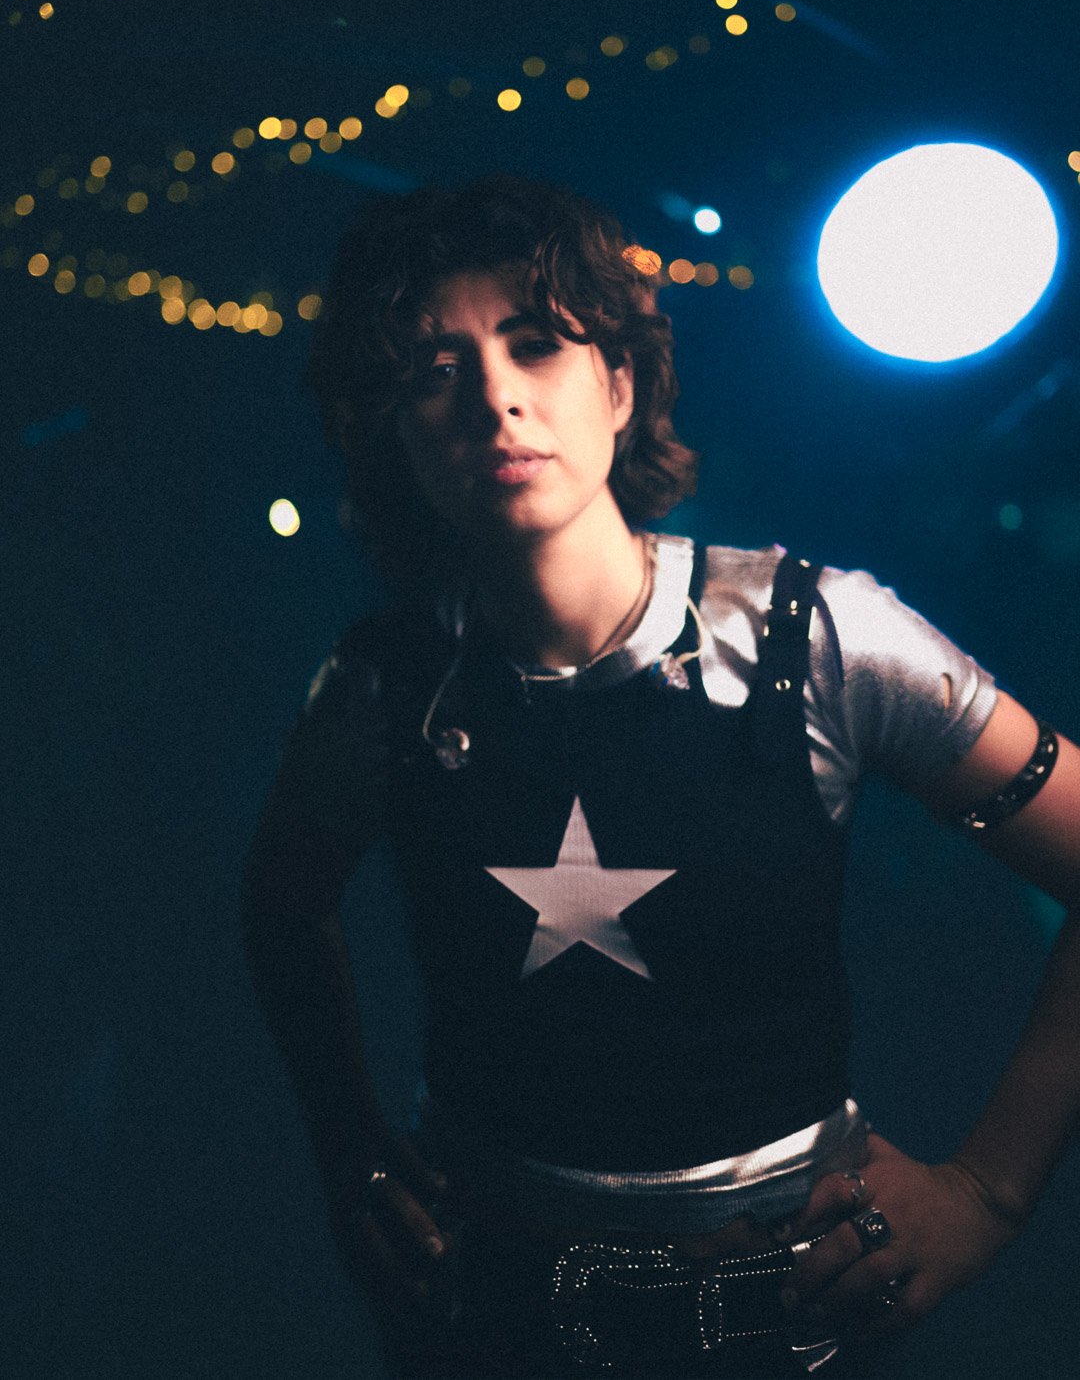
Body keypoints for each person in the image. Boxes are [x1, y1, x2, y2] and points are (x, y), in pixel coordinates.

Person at [242, 174, 1080, 1378]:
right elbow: (280, 900)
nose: (496, 397)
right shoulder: (384, 683)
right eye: (437, 365)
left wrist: (990, 1189)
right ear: (394, 428)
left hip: (792, 1317)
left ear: (620, 383)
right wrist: (348, 1142)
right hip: (483, 1320)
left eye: (537, 343)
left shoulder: (819, 636)